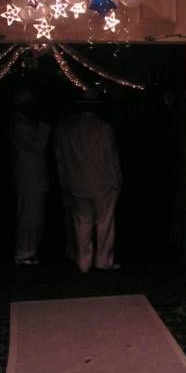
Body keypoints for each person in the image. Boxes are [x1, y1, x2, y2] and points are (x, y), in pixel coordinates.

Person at [54, 93, 123, 273]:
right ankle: (103, 260)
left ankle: (83, 262)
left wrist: (65, 182)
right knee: (104, 223)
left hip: (76, 183)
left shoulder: (66, 129)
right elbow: (111, 158)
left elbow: (61, 159)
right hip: (102, 184)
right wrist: (117, 180)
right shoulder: (104, 128)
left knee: (81, 223)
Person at [10, 88, 51, 266]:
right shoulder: (20, 125)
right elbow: (38, 145)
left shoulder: (24, 123)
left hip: (33, 178)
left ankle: (30, 250)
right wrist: (45, 124)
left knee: (34, 217)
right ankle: (24, 252)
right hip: (29, 179)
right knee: (29, 218)